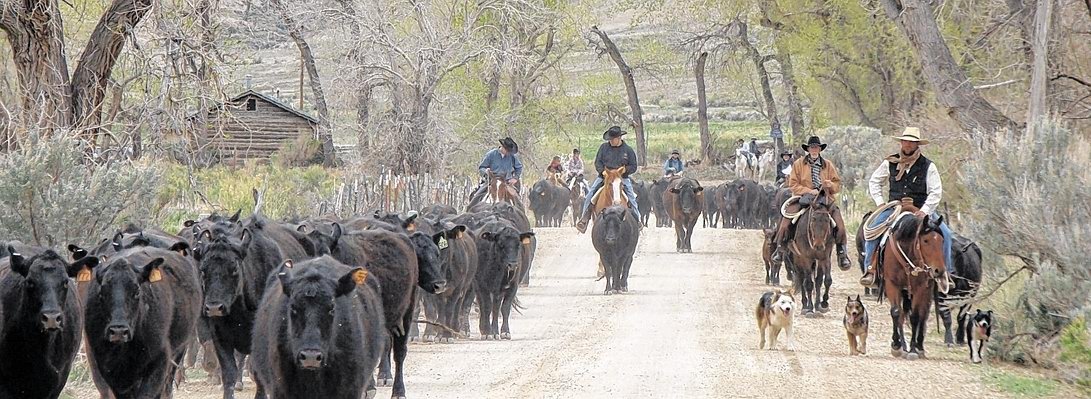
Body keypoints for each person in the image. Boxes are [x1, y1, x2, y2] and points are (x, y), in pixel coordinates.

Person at [859, 127, 953, 287]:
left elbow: (935, 192)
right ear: (901, 142)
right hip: (895, 207)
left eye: (912, 142)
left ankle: (945, 273)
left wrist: (924, 211)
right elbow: (874, 181)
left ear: (917, 144)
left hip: (920, 208)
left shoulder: (928, 166)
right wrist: (880, 202)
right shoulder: (890, 162)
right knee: (871, 231)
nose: (908, 144)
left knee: (946, 234)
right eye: (905, 141)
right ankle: (871, 270)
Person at [771, 136, 852, 269]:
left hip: (825, 199)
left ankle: (842, 252)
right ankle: (780, 248)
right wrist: (809, 191)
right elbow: (793, 184)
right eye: (812, 148)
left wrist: (830, 185)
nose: (814, 150)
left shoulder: (828, 165)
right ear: (808, 149)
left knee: (840, 226)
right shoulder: (798, 164)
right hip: (803, 198)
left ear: (820, 149)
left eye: (816, 148)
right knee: (785, 223)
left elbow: (837, 184)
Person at [575, 126, 640, 233]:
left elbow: (633, 166)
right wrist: (603, 171)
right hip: (605, 177)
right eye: (610, 139)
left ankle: (637, 220)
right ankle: (584, 219)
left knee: (631, 197)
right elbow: (598, 162)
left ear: (619, 138)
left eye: (612, 139)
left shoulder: (628, 150)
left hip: (621, 177)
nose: (610, 141)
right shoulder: (604, 148)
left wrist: (625, 170)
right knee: (591, 193)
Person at [466, 137, 523, 210]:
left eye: (509, 151)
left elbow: (519, 167)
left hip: (506, 182)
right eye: (507, 150)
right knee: (477, 196)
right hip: (491, 181)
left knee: (517, 199)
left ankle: (521, 214)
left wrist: (515, 178)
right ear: (502, 147)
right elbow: (481, 167)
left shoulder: (512, 156)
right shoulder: (491, 154)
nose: (508, 152)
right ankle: (469, 210)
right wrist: (486, 172)